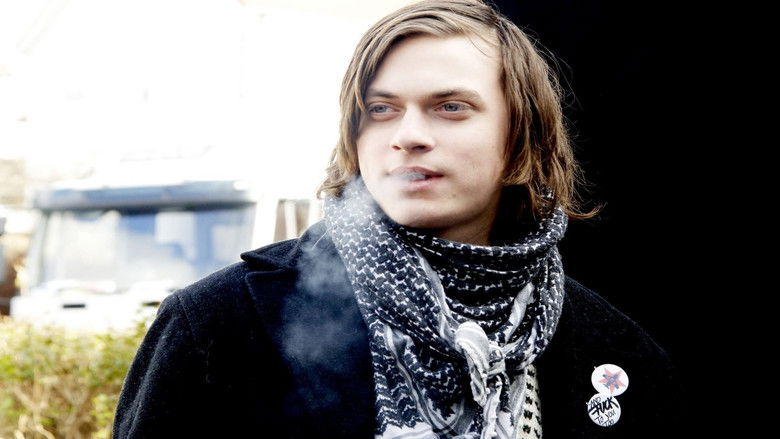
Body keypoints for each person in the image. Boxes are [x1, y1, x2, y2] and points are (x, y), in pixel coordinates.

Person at [113, 1, 683, 438]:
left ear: (521, 144)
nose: (408, 136)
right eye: (380, 110)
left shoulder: (612, 348)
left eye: (450, 107)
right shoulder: (217, 327)